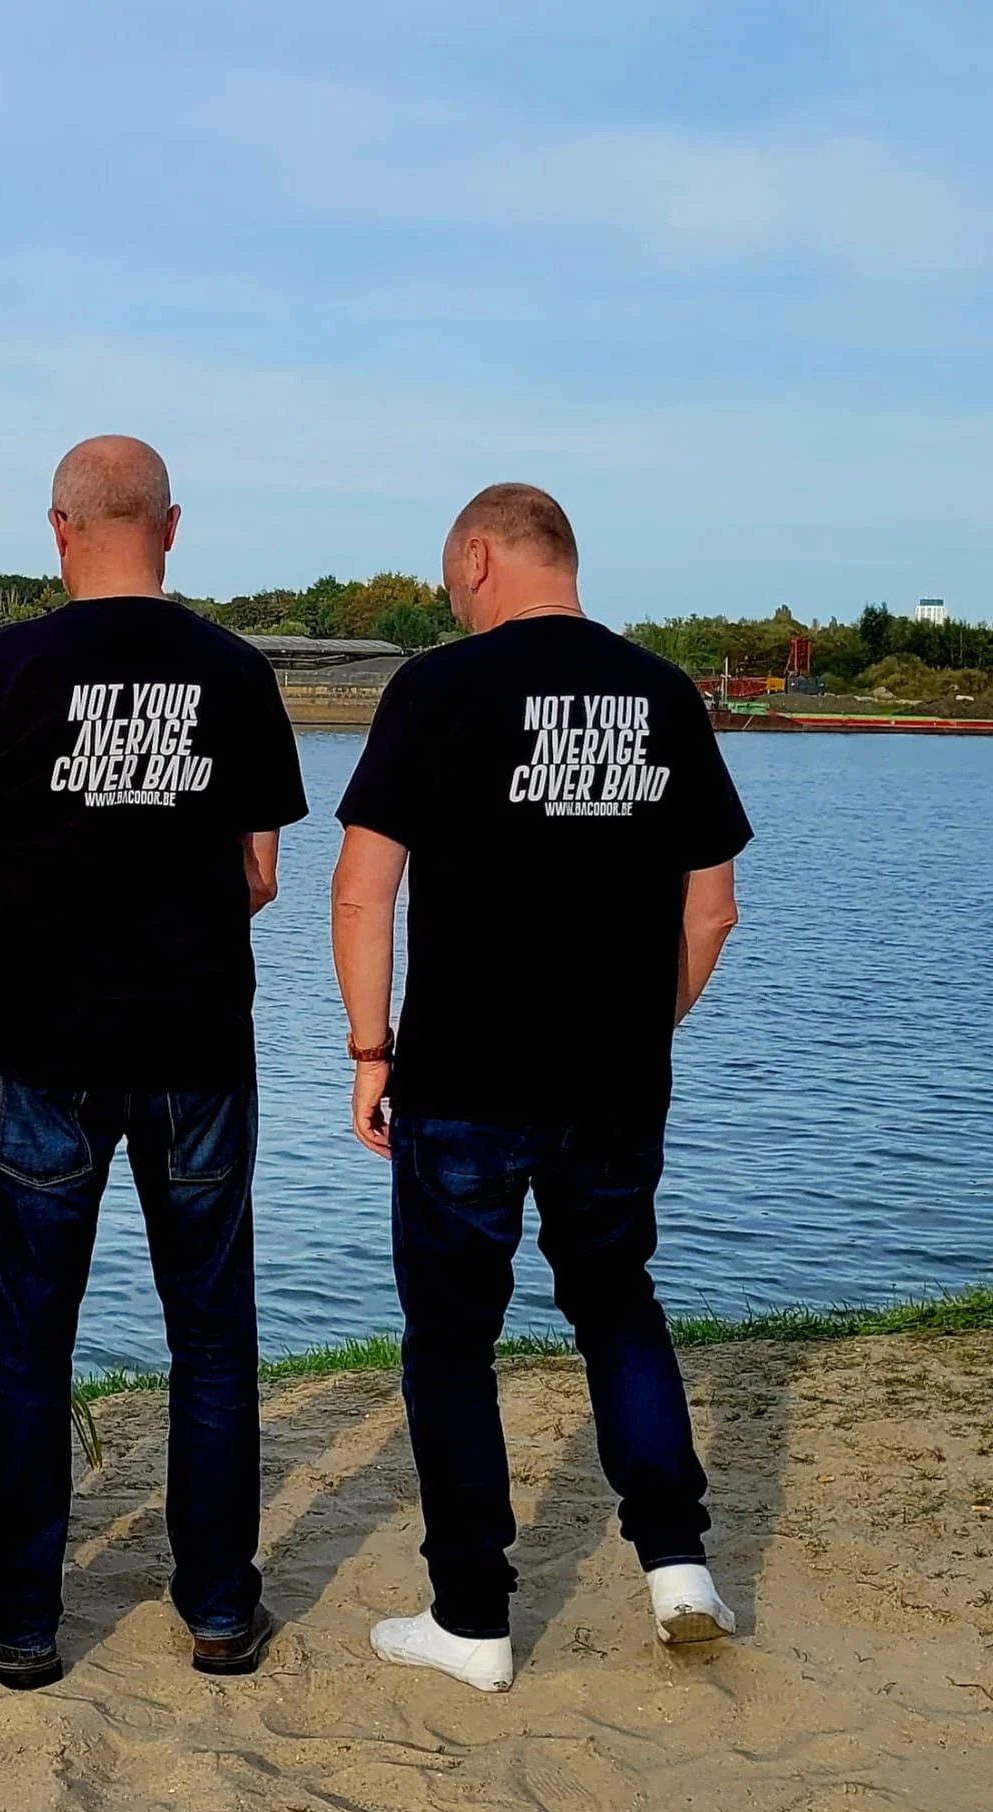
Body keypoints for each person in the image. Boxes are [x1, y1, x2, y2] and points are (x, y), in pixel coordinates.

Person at [330, 484, 751, 1693]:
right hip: (614, 1080)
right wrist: (636, 1025)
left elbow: (363, 892)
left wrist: (370, 1051)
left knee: (451, 1343)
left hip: (463, 1075)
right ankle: (675, 1562)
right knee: (615, 1301)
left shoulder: (437, 688)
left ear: (477, 556)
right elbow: (709, 907)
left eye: (449, 574)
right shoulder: (665, 692)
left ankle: (471, 1614)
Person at [0, 436, 308, 1688]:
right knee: (210, 1334)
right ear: (173, 527)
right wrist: (169, 940)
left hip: (43, 1041)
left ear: (57, 529)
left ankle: (19, 1622)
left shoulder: (2, 665)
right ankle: (217, 1612)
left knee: (27, 1336)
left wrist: (37, 943)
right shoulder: (235, 670)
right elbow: (257, 873)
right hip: (199, 1041)